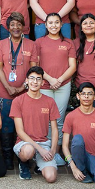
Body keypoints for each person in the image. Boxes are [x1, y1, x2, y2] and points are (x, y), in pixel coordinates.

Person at [0, 12, 39, 170]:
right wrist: (7, 86)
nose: (16, 27)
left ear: (24, 26)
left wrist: (22, 87)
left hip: (25, 93)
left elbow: (34, 69)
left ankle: (23, 159)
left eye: (19, 24)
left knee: (25, 126)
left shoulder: (31, 45)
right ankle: (7, 158)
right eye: (12, 24)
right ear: (8, 27)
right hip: (4, 93)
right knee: (6, 125)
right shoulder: (2, 44)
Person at [36, 13, 77, 157]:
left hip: (63, 85)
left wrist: (59, 80)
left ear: (61, 25)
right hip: (45, 86)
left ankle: (57, 152)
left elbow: (73, 66)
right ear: (46, 25)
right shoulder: (39, 42)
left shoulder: (68, 43)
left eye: (56, 22)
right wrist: (50, 79)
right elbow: (37, 65)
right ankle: (46, 150)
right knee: (45, 119)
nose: (53, 25)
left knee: (59, 119)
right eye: (50, 23)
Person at [11, 66, 60, 182]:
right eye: (32, 78)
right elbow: (20, 132)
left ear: (43, 82)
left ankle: (38, 165)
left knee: (51, 177)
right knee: (29, 151)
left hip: (43, 143)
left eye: (38, 79)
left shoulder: (49, 101)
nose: (35, 81)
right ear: (26, 81)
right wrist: (40, 149)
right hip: (25, 143)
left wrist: (52, 150)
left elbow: (55, 129)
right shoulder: (18, 101)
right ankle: (24, 163)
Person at [62, 83, 95, 185]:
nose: (86, 97)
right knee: (78, 139)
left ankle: (89, 169)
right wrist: (73, 167)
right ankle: (81, 170)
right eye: (83, 94)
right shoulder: (71, 116)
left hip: (94, 157)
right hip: (78, 156)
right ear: (78, 96)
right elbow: (65, 145)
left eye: (90, 94)